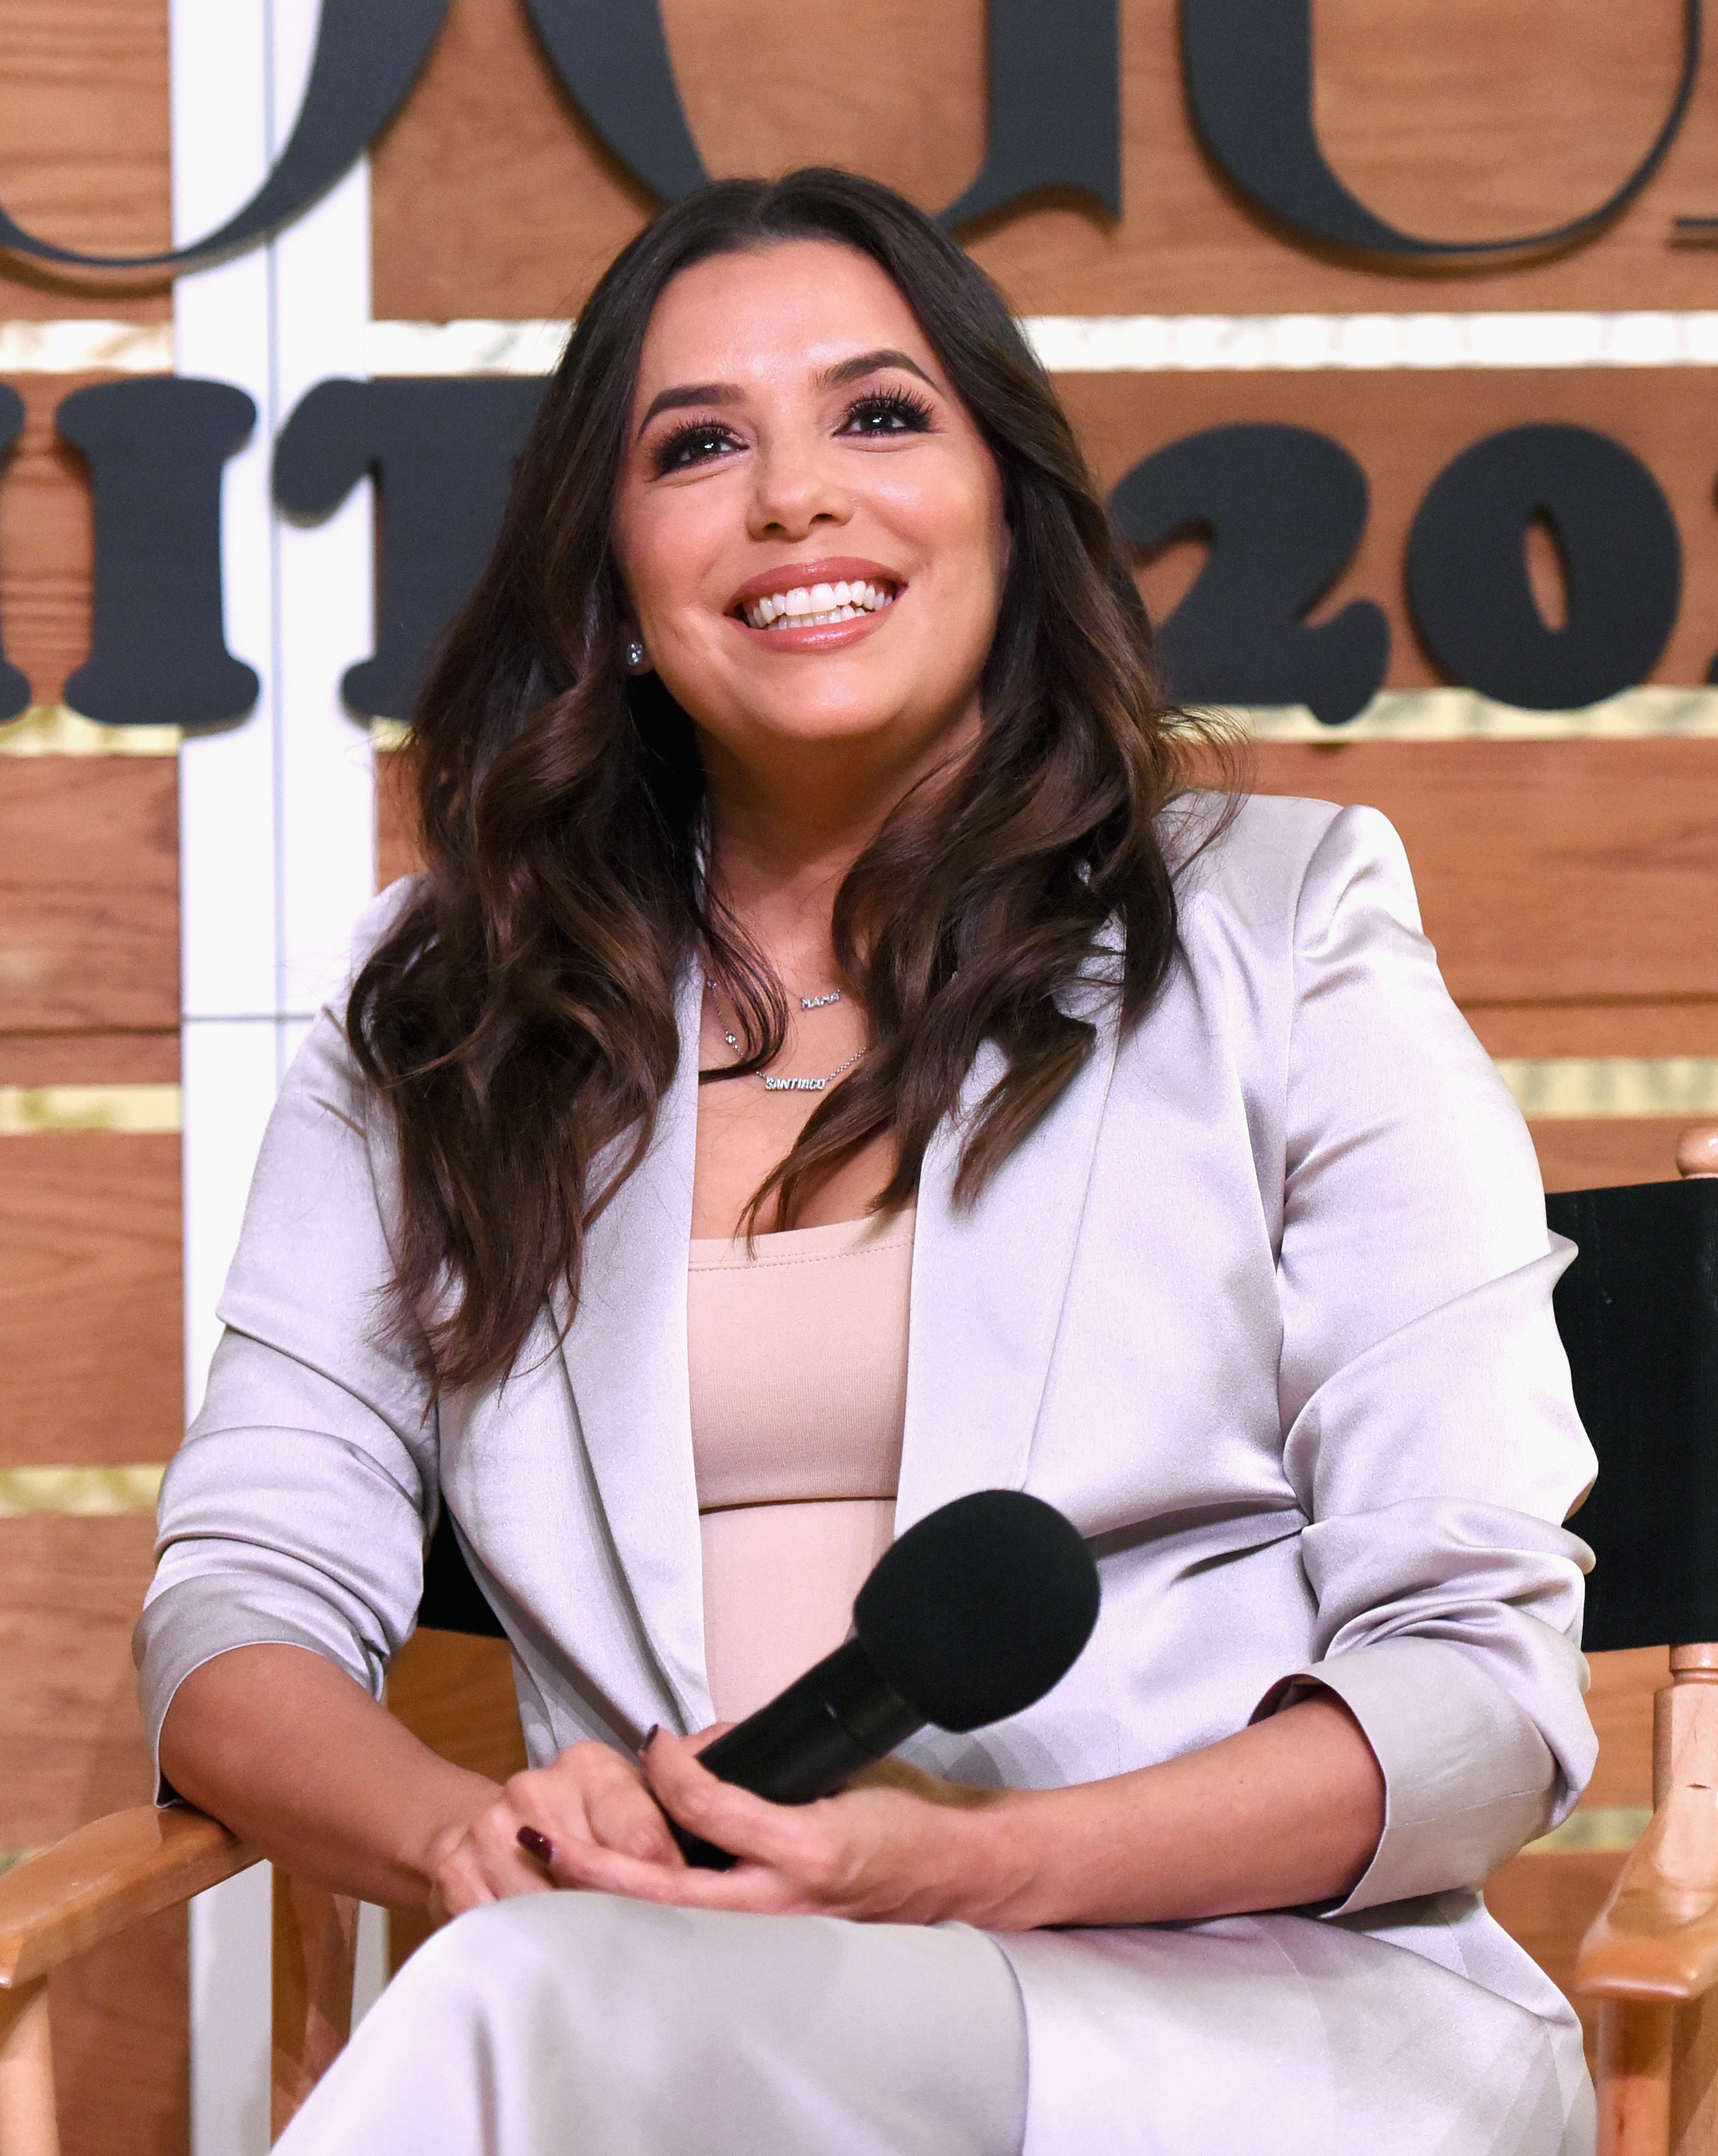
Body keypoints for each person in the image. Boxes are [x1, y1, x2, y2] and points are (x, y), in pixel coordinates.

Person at [136, 168, 1599, 2155]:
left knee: (539, 2023)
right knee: (544, 1997)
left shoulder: (1286, 926)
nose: (794, 497)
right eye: (697, 444)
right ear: (616, 575)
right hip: (656, 2007)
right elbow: (242, 1602)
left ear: (1004, 501)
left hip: (1251, 2019)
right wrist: (463, 1833)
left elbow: (1475, 1697)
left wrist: (964, 1867)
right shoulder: (445, 1013)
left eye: (879, 413)